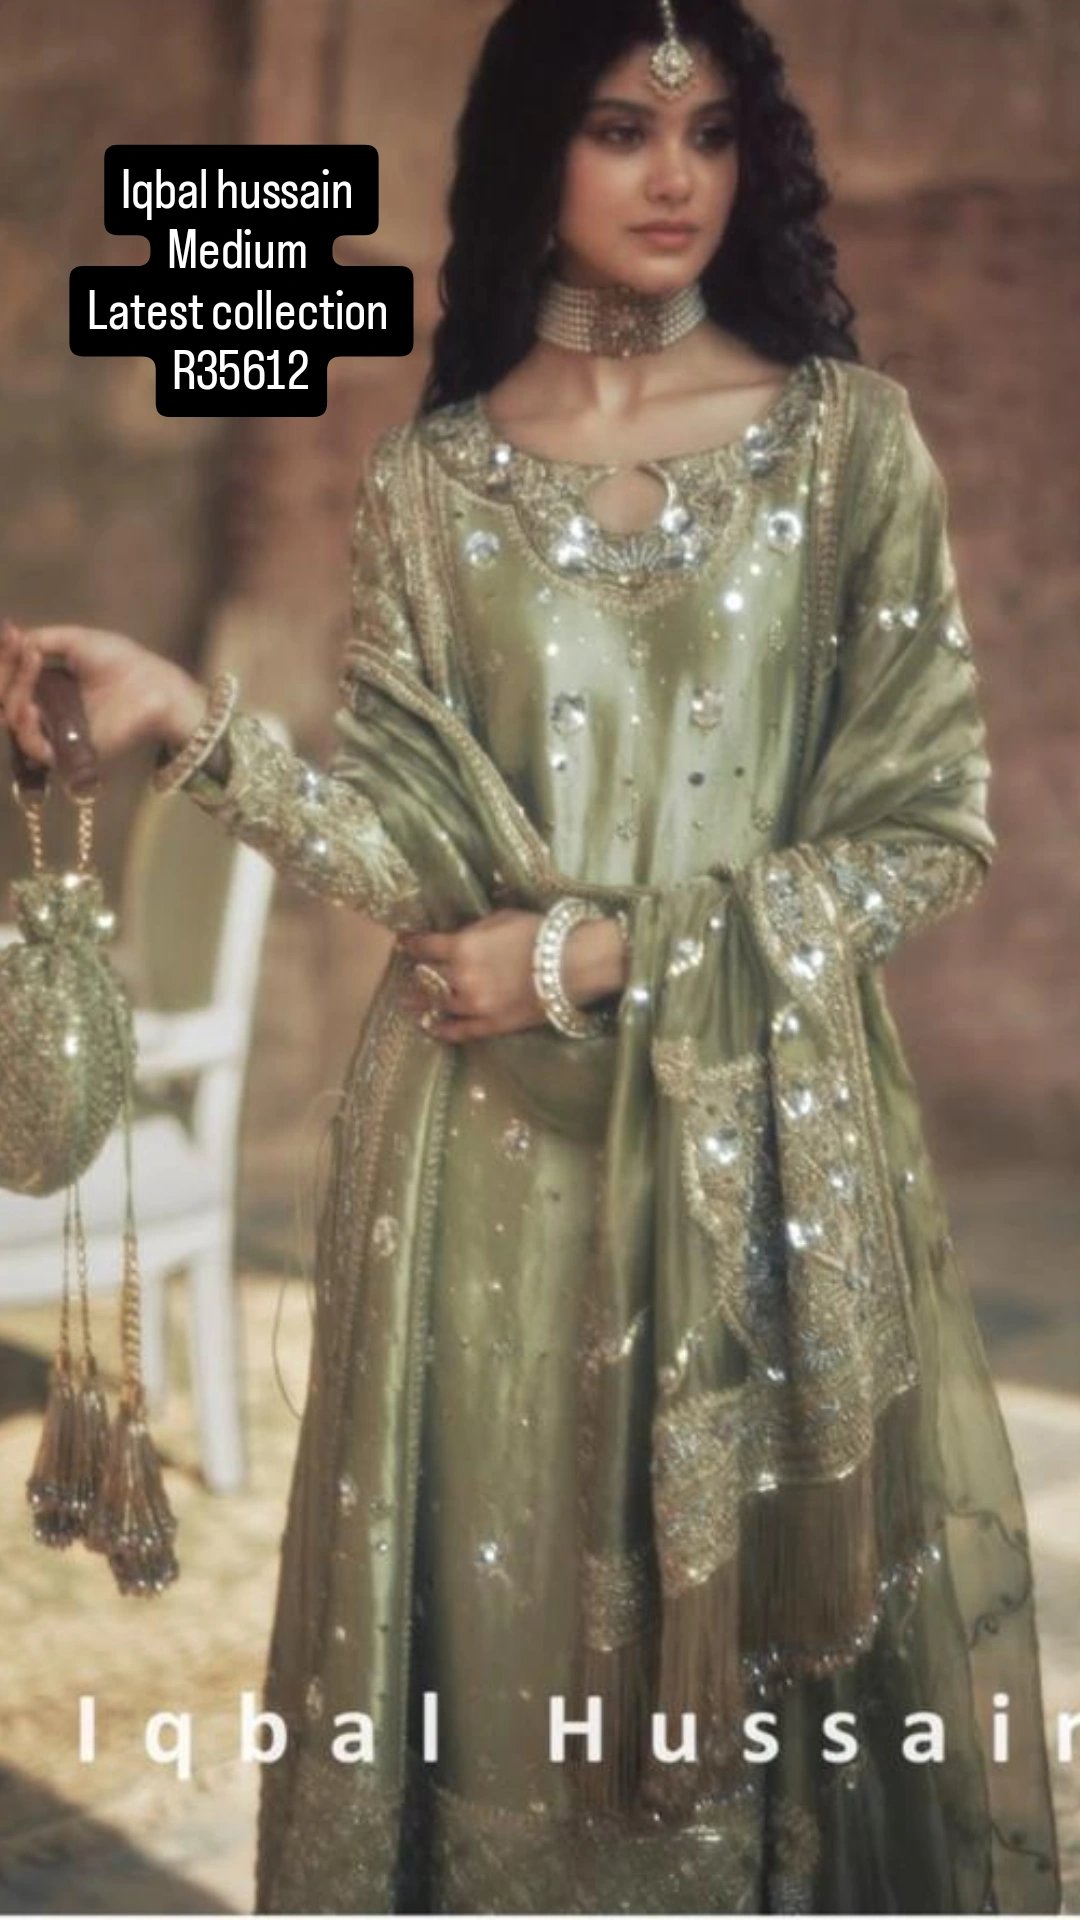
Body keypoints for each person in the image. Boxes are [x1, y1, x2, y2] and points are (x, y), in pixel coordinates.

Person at [0, 0, 1063, 1911]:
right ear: (531, 153)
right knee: (498, 1679)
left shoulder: (848, 448)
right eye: (620, 129)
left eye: (710, 134)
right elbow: (408, 849)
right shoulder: (433, 482)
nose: (674, 177)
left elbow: (928, 832)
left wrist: (592, 954)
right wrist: (182, 716)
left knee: (753, 1712)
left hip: (757, 1161)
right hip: (479, 1172)